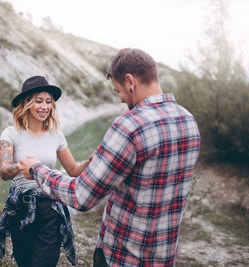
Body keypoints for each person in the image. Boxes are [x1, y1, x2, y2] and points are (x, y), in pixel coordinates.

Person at [19, 48, 201, 266]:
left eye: (118, 91)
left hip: (122, 258)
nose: (122, 99)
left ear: (130, 82)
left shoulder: (129, 125)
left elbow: (81, 196)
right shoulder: (188, 120)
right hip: (163, 257)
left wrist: (37, 168)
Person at [0, 75, 93, 267]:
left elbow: (72, 170)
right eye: (38, 101)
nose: (44, 106)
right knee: (24, 260)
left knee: (44, 262)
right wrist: (20, 167)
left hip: (50, 209)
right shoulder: (10, 133)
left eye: (48, 102)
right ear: (26, 103)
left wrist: (89, 162)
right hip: (20, 207)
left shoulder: (56, 135)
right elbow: (3, 172)